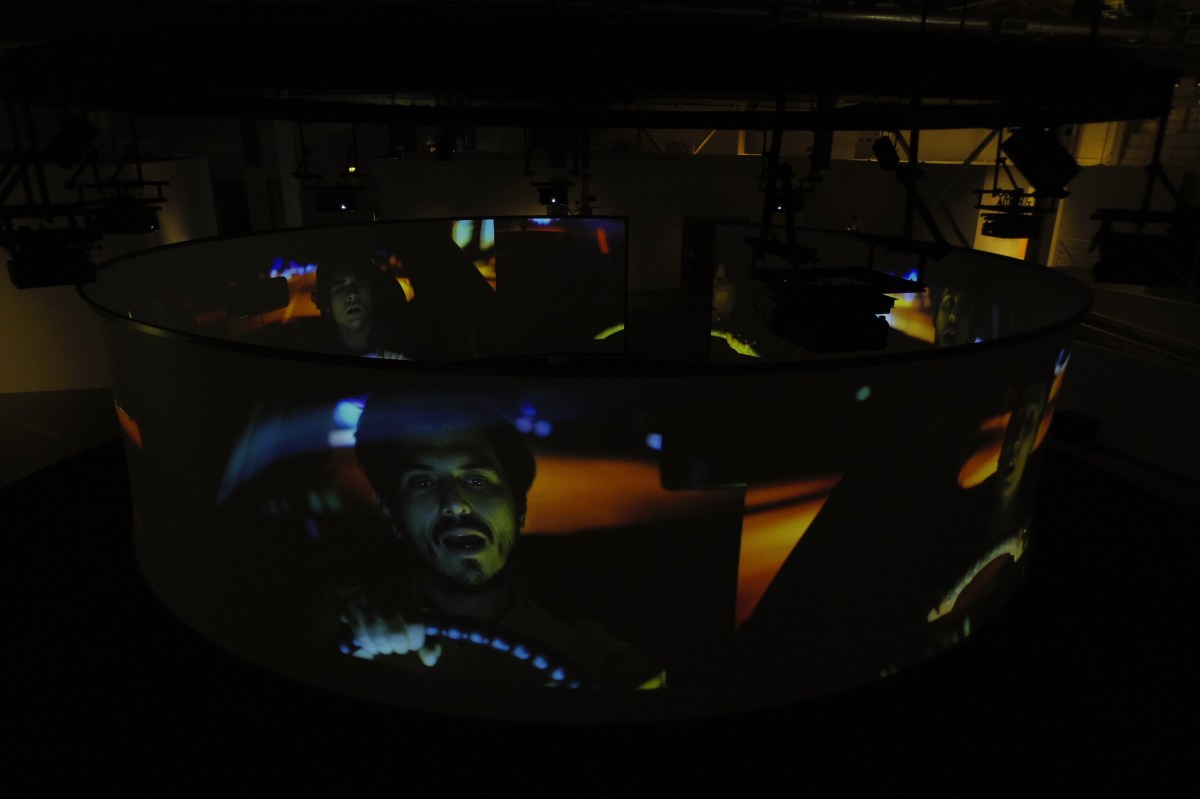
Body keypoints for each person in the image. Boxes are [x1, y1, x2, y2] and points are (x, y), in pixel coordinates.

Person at [337, 393, 666, 690]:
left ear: (519, 509)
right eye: (422, 482)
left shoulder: (593, 656)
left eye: (477, 480)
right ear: (392, 514)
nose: (455, 503)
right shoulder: (331, 620)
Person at [308, 258, 416, 359]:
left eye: (359, 283)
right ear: (328, 302)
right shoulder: (318, 348)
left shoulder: (402, 340)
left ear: (372, 293)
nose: (352, 294)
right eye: (341, 287)